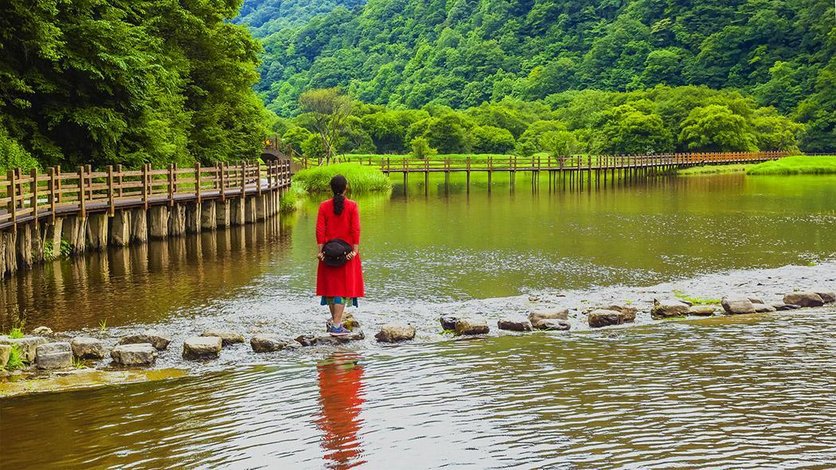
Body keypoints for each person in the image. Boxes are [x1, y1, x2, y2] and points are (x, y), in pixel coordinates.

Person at [316, 175, 365, 336]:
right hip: (346, 253)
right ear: (345, 188)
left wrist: (320, 251)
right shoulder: (352, 206)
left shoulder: (324, 206)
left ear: (331, 188)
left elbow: (320, 230)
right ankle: (336, 325)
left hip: (328, 253)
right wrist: (355, 251)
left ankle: (335, 323)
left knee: (331, 288)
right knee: (342, 289)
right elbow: (355, 229)